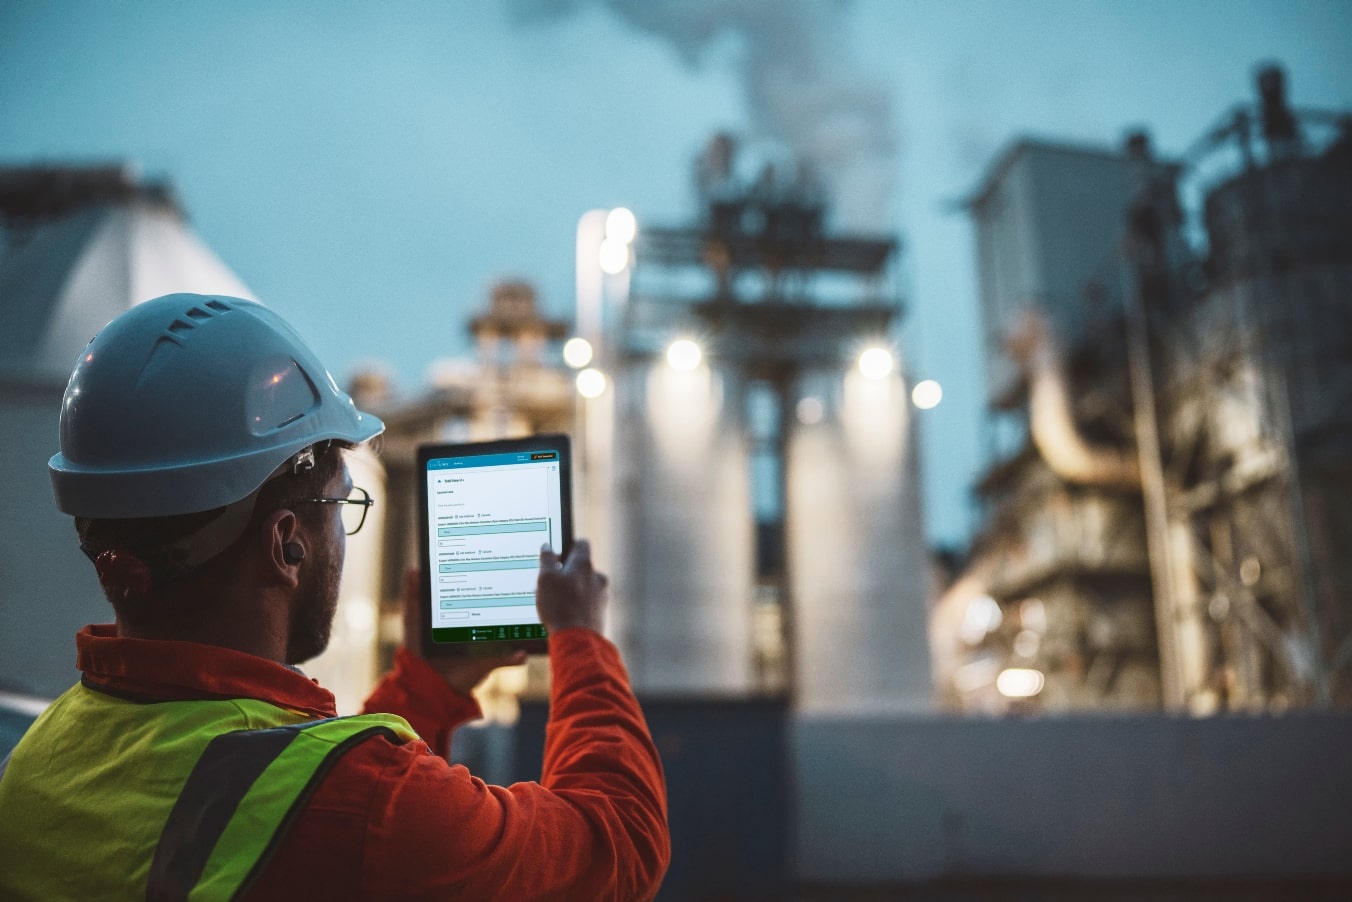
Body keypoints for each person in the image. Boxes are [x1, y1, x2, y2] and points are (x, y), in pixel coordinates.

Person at [0, 293, 669, 900]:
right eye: (340, 502)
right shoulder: (371, 804)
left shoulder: (41, 756)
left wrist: (427, 687)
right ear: (286, 542)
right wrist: (581, 638)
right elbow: (618, 843)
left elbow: (302, 792)